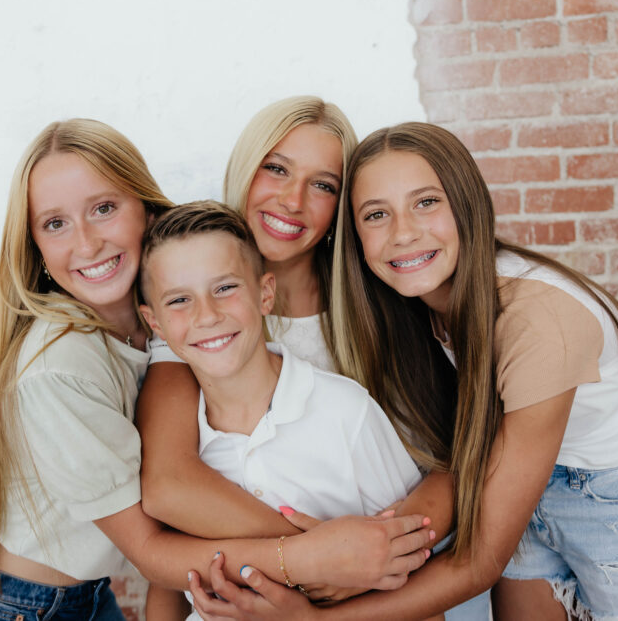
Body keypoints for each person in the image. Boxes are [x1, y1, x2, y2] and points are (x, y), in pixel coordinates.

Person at [189, 122, 618, 621]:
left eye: (426, 202)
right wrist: (364, 554)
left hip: (610, 496)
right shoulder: (403, 298)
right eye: (376, 214)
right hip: (499, 472)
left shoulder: (537, 320)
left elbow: (478, 563)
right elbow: (454, 455)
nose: (403, 233)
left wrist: (315, 616)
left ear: (466, 203)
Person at [0, 119, 434, 621]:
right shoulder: (60, 367)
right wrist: (320, 557)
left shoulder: (174, 324)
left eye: (104, 208)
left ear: (148, 211)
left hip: (85, 596)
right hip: (3, 605)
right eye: (55, 223)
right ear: (36, 246)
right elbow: (153, 546)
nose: (86, 243)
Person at [138, 200, 427, 620]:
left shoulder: (346, 413)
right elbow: (166, 577)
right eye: (179, 299)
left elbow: (417, 587)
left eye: (225, 288)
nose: (207, 315)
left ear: (265, 294)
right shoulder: (175, 446)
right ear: (155, 324)